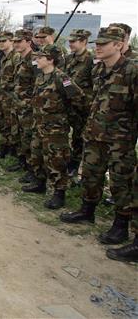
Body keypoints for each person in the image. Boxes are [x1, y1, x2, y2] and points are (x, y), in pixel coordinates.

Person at [60, 27, 137, 262]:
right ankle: (87, 211)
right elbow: (94, 101)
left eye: (105, 43)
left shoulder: (132, 71)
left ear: (119, 45)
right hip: (95, 135)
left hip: (119, 140)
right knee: (91, 175)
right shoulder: (98, 70)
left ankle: (120, 225)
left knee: (121, 183)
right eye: (98, 42)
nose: (99, 46)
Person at [22, 45, 85, 209]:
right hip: (39, 125)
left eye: (41, 57)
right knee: (36, 155)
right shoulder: (41, 76)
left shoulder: (62, 78)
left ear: (51, 59)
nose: (37, 59)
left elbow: (78, 98)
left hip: (55, 129)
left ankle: (59, 193)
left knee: (56, 161)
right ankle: (39, 182)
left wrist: (68, 116)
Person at [63, 29, 94, 175]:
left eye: (73, 41)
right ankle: (67, 159)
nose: (71, 44)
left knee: (79, 137)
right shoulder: (69, 58)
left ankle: (75, 164)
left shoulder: (91, 60)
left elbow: (95, 85)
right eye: (69, 41)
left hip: (83, 105)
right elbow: (65, 79)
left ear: (83, 42)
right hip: (68, 104)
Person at [12, 29, 37, 183]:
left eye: (19, 41)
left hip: (29, 105)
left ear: (28, 42)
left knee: (29, 137)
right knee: (21, 134)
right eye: (14, 41)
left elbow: (38, 83)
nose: (16, 44)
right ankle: (22, 163)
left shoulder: (33, 59)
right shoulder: (21, 58)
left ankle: (32, 169)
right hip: (19, 104)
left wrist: (30, 103)